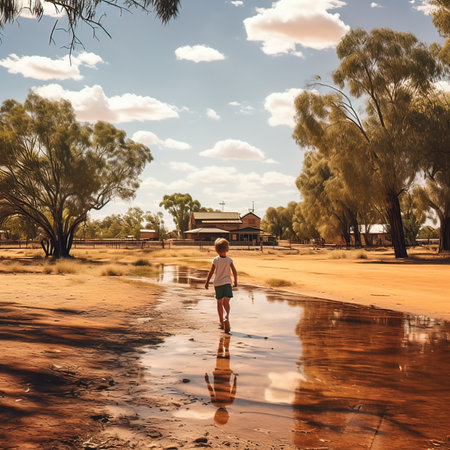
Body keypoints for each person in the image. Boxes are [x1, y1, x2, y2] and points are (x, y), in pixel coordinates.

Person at [205, 238, 237, 333]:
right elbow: (234, 272)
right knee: (226, 302)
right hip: (227, 283)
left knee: (219, 302)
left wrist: (207, 282)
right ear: (227, 249)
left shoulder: (215, 260)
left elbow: (211, 272)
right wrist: (235, 282)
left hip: (218, 284)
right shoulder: (229, 260)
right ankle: (226, 315)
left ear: (216, 250)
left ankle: (221, 322)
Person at [204, 334, 237, 425]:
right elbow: (210, 390)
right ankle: (221, 341)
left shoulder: (229, 403)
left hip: (226, 374)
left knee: (226, 353)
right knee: (220, 354)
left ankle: (225, 341)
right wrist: (207, 380)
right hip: (218, 374)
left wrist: (235, 380)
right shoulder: (215, 403)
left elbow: (233, 390)